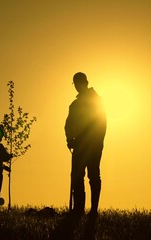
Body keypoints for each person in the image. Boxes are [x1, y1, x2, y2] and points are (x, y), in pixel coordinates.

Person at [65, 72, 107, 218]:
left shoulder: (96, 100)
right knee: (78, 176)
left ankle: (92, 210)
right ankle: (79, 210)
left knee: (92, 175)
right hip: (81, 145)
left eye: (79, 83)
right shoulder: (76, 104)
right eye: (75, 83)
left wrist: (93, 141)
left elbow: (101, 124)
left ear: (86, 82)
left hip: (91, 145)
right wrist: (69, 139)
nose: (77, 86)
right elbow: (68, 124)